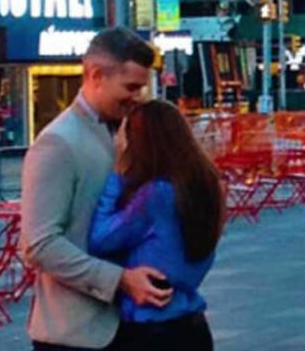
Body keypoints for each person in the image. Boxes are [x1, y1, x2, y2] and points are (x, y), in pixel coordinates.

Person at [21, 27, 173, 351]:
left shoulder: (124, 130)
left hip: (127, 326)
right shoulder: (57, 143)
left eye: (143, 88)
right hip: (76, 335)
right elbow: (39, 244)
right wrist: (118, 279)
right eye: (130, 87)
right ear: (95, 75)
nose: (138, 98)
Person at [89, 100, 224, 350]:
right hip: (191, 323)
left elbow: (101, 238)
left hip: (152, 328)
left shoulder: (157, 194)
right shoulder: (203, 185)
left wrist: (116, 175)